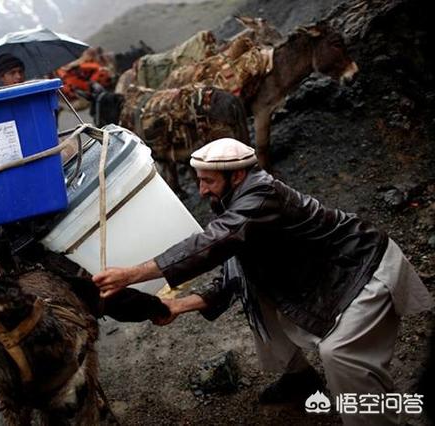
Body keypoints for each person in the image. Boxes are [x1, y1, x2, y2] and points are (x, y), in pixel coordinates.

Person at [93, 138, 434, 426]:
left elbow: (213, 244)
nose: (201, 189)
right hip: (319, 272)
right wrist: (180, 305)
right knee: (257, 296)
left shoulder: (261, 194)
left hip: (359, 266)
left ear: (237, 174)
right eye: (199, 180)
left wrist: (132, 274)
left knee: (340, 352)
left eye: (208, 181)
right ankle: (299, 376)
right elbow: (236, 266)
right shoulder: (232, 199)